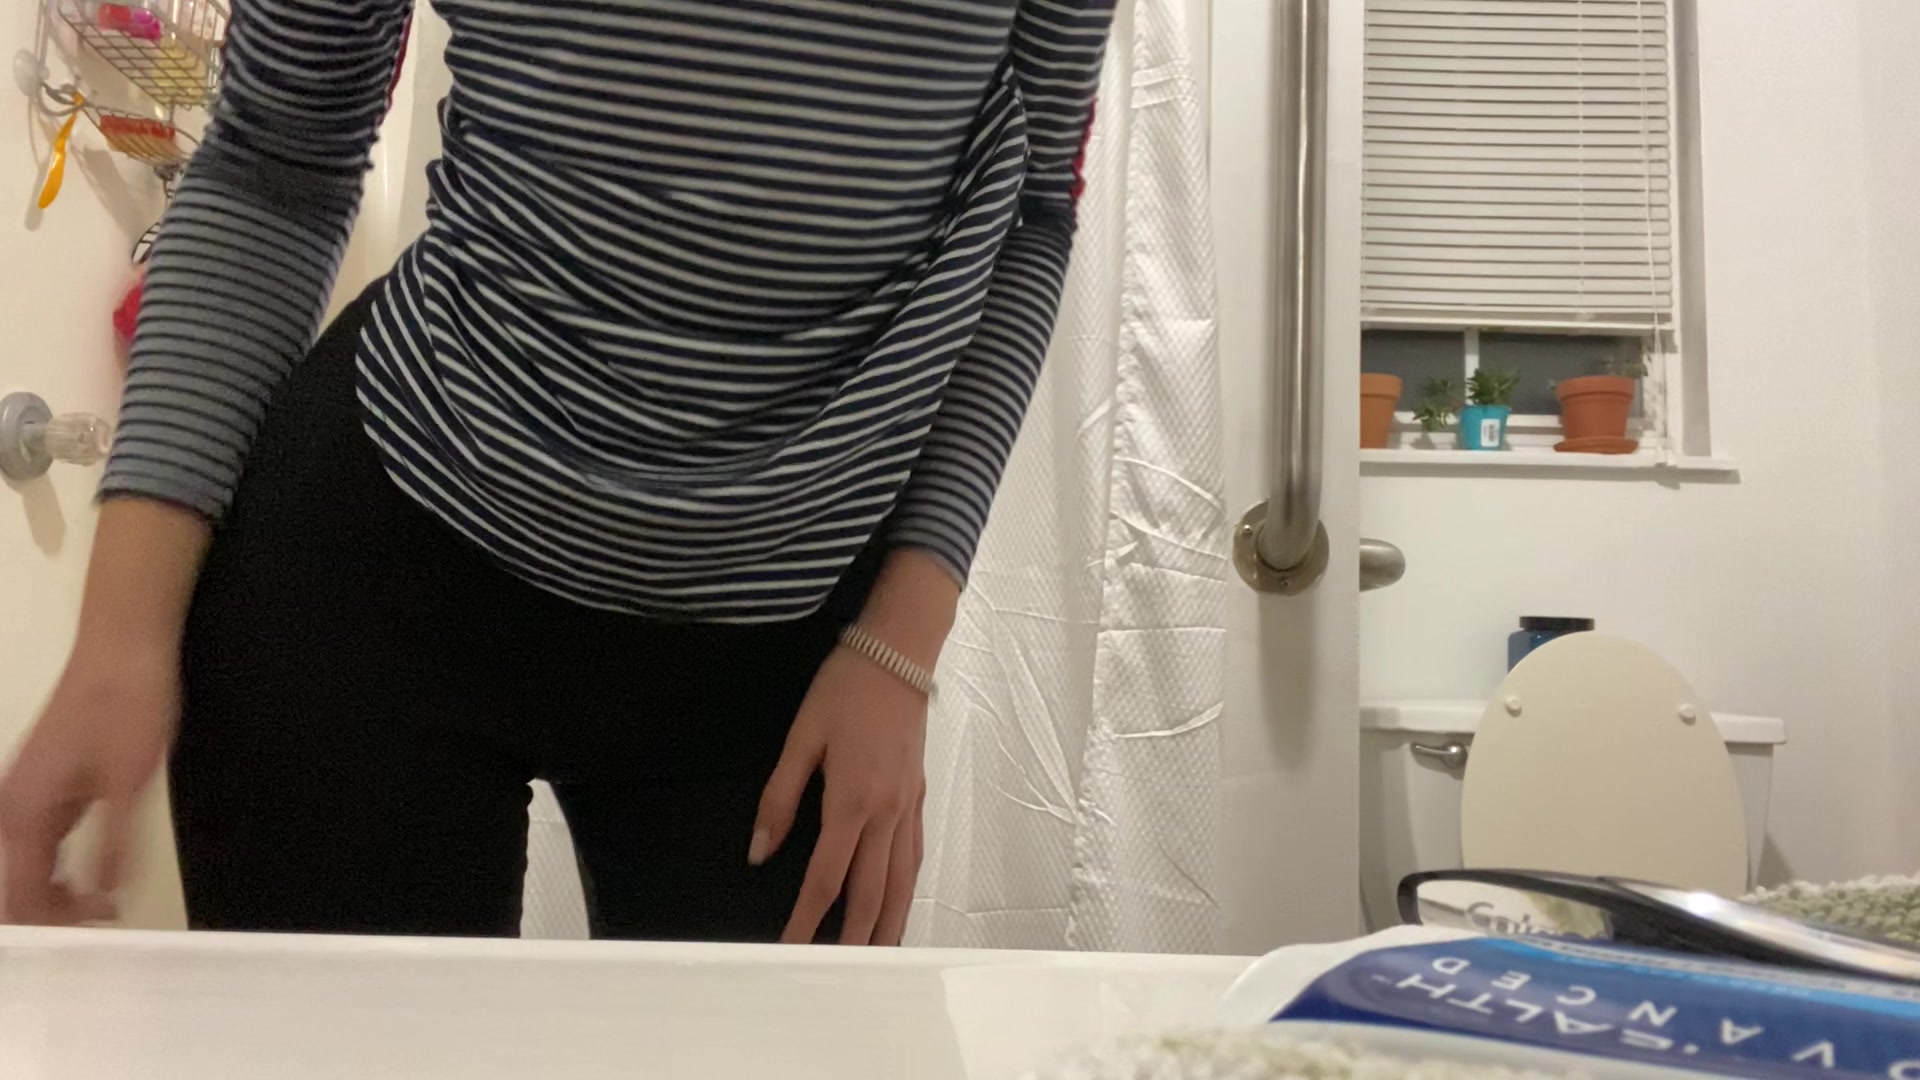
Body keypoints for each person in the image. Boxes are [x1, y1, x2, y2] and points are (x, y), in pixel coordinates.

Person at [0, 0, 1113, 945]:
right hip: (380, 565)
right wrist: (119, 632)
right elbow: (273, 159)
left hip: (784, 650)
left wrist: (901, 643)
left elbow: (1033, 214)